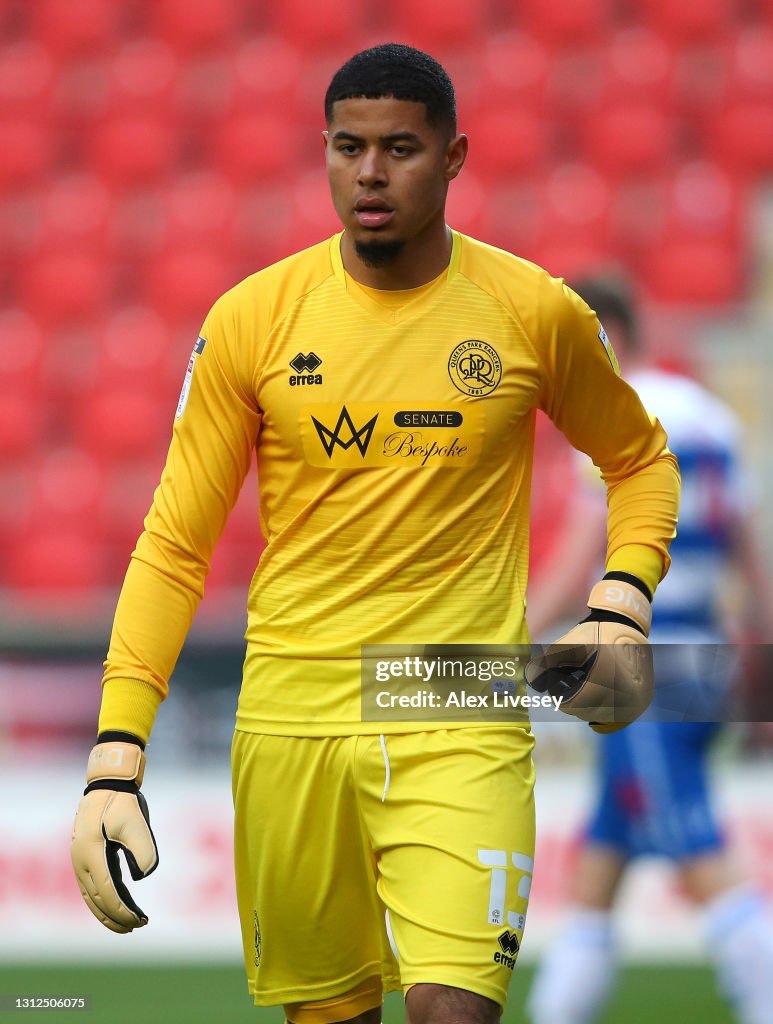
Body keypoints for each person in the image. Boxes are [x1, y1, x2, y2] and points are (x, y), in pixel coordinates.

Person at [69, 46, 679, 1024]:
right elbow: (176, 543)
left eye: (400, 147)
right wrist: (115, 753)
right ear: (322, 151)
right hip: (290, 721)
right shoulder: (250, 322)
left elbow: (639, 460)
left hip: (456, 707)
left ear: (453, 156)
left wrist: (621, 600)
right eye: (347, 147)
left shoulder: (533, 315)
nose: (369, 170)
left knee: (453, 1005)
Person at [526, 274, 773, 1024]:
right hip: (705, 655)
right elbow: (747, 552)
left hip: (644, 664)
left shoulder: (617, 416)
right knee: (603, 853)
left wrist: (516, 636)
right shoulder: (711, 420)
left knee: (699, 852)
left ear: (605, 336)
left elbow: (584, 551)